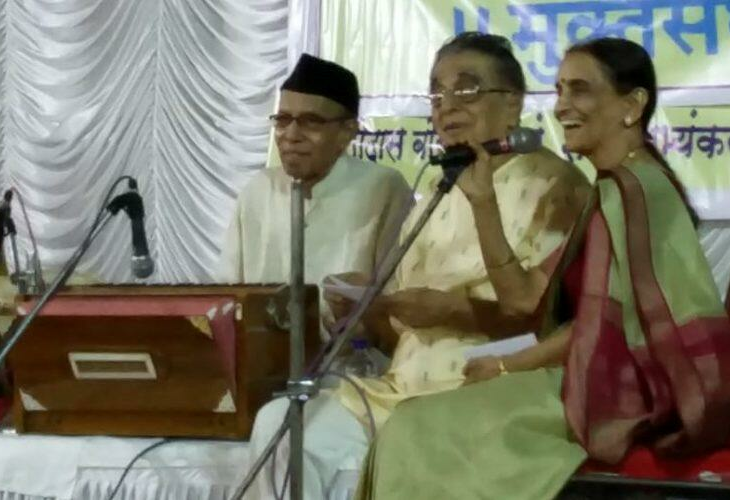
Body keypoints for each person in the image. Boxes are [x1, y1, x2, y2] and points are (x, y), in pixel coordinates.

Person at [354, 37, 730, 500]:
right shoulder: (612, 187)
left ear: (632, 105)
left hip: (626, 388)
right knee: (415, 422)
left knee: (423, 428)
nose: (561, 107)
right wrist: (483, 203)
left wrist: (506, 365)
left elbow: (602, 327)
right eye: (559, 91)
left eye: (580, 90)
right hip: (587, 370)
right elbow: (524, 299)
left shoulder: (638, 189)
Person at [248, 33, 590, 499]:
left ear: (512, 103)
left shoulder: (554, 186)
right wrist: (370, 309)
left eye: (466, 89)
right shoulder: (438, 187)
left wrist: (453, 312)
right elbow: (401, 334)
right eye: (437, 93)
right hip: (398, 387)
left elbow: (554, 323)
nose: (448, 106)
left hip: (486, 389)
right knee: (283, 423)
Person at [216, 54, 413, 289]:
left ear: (347, 131)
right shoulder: (259, 189)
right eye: (283, 120)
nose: (291, 135)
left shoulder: (383, 189)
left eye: (310, 121)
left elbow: (400, 292)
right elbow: (226, 291)